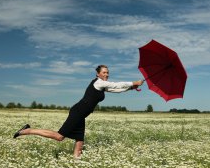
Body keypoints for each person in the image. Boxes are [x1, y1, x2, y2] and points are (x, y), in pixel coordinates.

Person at [13, 65, 144, 158]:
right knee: (59, 137)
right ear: (98, 74)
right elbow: (115, 85)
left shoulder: (102, 86)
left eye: (107, 73)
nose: (106, 74)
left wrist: (132, 88)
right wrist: (133, 82)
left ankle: (76, 161)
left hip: (81, 115)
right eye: (104, 72)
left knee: (79, 140)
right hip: (78, 111)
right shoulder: (98, 82)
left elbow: (116, 90)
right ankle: (26, 131)